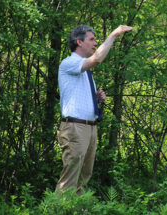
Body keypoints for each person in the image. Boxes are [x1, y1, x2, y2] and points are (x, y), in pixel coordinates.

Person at [56, 24, 133, 195]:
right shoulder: (69, 63)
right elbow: (97, 59)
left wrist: (96, 100)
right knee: (70, 179)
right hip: (75, 128)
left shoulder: (84, 70)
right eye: (92, 39)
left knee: (83, 179)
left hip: (90, 127)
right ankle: (57, 209)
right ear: (79, 42)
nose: (95, 43)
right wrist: (113, 34)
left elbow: (77, 97)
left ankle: (78, 211)